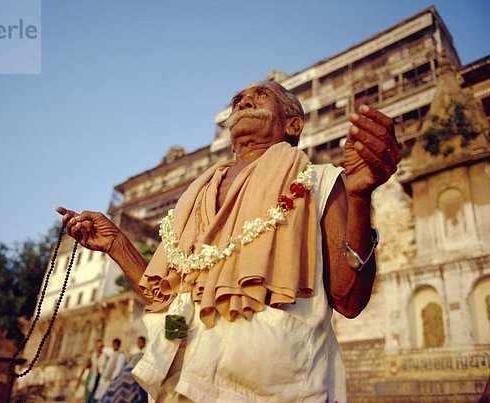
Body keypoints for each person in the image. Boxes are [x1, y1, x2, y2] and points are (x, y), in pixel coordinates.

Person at [58, 81, 400, 402]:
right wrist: (118, 245)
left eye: (261, 95)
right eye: (238, 100)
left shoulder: (319, 181)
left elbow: (350, 301)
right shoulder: (196, 196)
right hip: (177, 385)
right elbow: (166, 297)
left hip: (272, 390)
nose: (244, 100)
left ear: (293, 125)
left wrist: (359, 198)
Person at [100, 336, 149, 403]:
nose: (139, 343)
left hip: (136, 377)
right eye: (138, 342)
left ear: (144, 343)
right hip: (126, 376)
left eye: (141, 342)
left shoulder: (146, 354)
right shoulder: (133, 352)